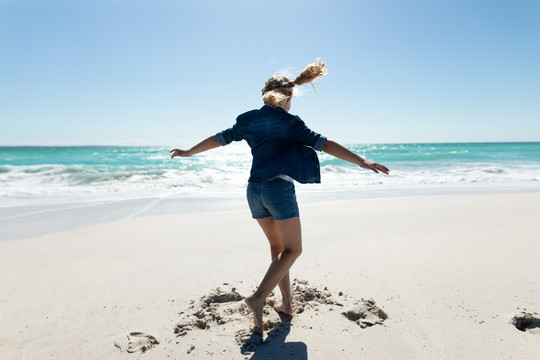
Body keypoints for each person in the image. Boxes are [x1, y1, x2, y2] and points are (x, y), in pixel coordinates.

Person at [170, 60, 389, 331]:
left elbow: (219, 138)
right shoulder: (291, 123)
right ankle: (258, 297)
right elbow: (325, 144)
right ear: (289, 96)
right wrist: (361, 160)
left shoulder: (247, 119)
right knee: (294, 250)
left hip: (254, 190)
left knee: (278, 250)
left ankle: (286, 303)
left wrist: (189, 152)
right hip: (278, 191)